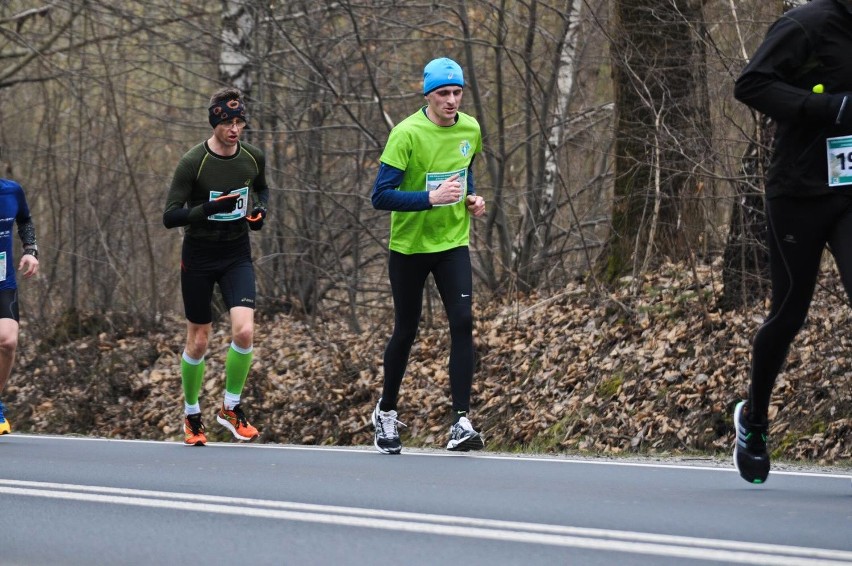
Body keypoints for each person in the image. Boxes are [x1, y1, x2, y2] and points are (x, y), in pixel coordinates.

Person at [733, 0, 852, 484]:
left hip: (849, 193)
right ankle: (754, 420)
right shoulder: (809, 23)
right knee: (788, 315)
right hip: (799, 193)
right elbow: (751, 84)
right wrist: (827, 106)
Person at [370, 57, 487, 455]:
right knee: (406, 329)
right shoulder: (406, 134)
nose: (451, 100)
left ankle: (460, 421)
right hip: (410, 248)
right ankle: (386, 412)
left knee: (463, 322)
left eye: (457, 93)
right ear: (428, 95)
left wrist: (472, 198)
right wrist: (429, 198)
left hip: (452, 243)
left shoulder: (470, 128)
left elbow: (466, 171)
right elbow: (380, 196)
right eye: (443, 94)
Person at [163, 86, 269, 446]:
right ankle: (192, 414)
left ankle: (230, 408)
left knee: (243, 332)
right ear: (215, 123)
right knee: (199, 340)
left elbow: (263, 190)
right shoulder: (194, 162)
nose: (235, 129)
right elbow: (169, 216)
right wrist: (207, 209)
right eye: (228, 123)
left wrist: (259, 213)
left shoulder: (253, 157)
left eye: (240, 122)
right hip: (199, 256)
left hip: (236, 254)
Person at [0, 174, 40, 435]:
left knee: (8, 341)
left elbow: (25, 219)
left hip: (3, 280)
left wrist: (30, 250)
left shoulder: (12, 191)